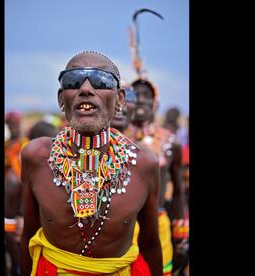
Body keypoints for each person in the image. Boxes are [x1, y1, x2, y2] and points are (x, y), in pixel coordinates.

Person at [20, 51, 162, 275]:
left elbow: (151, 245)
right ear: (61, 98)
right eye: (73, 81)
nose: (86, 89)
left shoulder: (144, 164)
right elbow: (28, 235)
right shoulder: (36, 157)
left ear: (120, 100)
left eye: (101, 80)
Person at [124, 79, 188, 275]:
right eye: (136, 95)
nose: (142, 100)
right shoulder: (116, 139)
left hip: (158, 224)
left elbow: (177, 192)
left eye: (147, 96)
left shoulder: (170, 143)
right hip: (123, 226)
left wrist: (181, 232)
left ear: (155, 102)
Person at [5, 111, 30, 276]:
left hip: (19, 197)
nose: (15, 127)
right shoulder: (7, 147)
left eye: (17, 123)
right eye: (11, 124)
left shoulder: (25, 145)